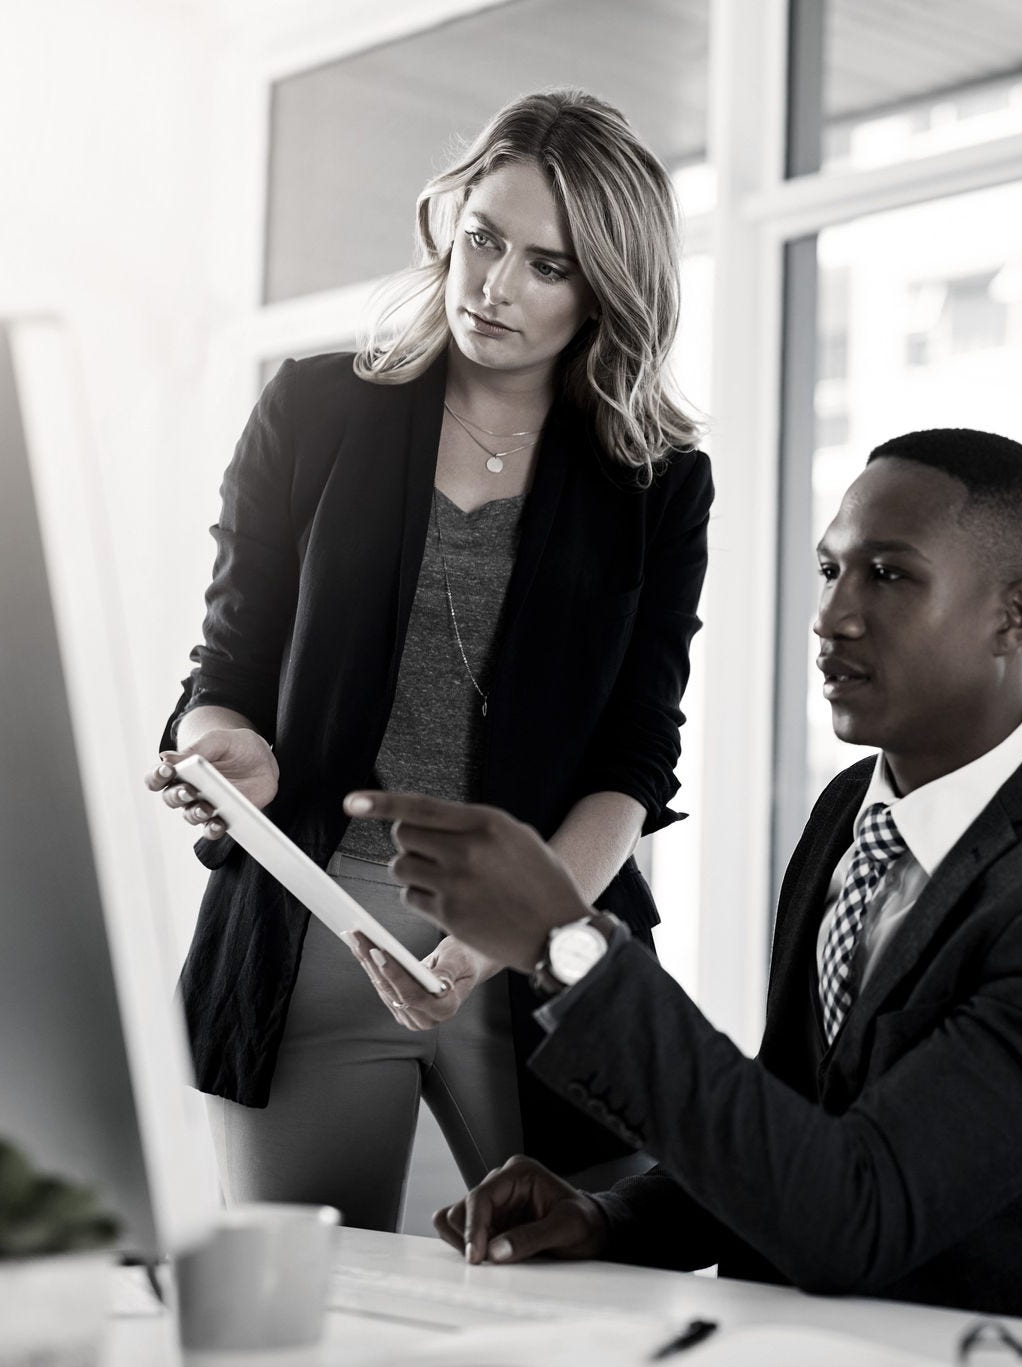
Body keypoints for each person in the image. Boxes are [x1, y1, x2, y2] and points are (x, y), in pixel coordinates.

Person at [348, 429, 1022, 1341]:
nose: (833, 615)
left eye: (888, 575)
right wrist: (613, 1216)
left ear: (1014, 614)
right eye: (829, 569)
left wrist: (566, 944)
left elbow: (858, 1213)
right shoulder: (850, 808)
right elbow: (799, 1128)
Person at [143, 88, 711, 1231]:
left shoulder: (655, 481)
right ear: (449, 226)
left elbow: (636, 753)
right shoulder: (312, 408)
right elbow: (229, 663)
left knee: (583, 1307)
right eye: (484, 239)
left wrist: (521, 927)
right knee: (314, 1314)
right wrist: (222, 757)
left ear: (605, 290)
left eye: (545, 265)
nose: (493, 285)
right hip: (312, 923)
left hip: (542, 950)